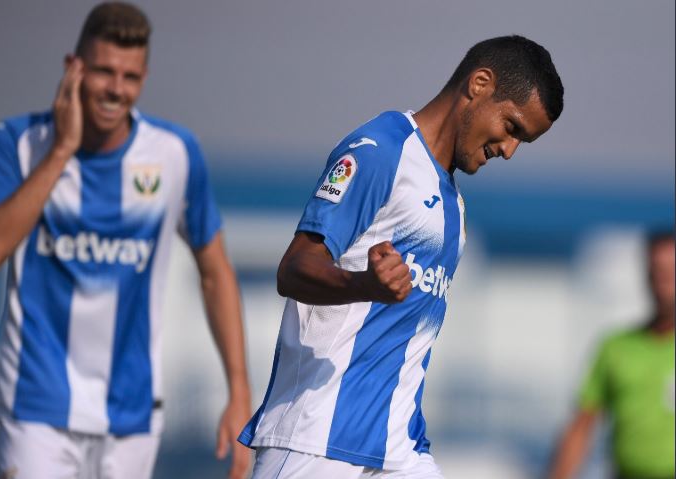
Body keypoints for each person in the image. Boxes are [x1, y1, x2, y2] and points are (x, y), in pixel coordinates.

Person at [238, 35, 564, 478]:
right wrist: (363, 286)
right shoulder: (380, 151)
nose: (509, 150)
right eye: (511, 127)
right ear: (480, 84)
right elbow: (294, 268)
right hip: (315, 444)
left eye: (524, 140)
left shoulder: (454, 203)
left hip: (399, 449)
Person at [0, 3, 251, 478]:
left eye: (130, 76)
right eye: (103, 72)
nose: (116, 89)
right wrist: (61, 150)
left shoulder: (175, 154)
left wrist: (238, 391)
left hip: (132, 415)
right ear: (72, 67)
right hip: (36, 407)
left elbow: (215, 270)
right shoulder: (18, 142)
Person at [550, 233, 675, 479]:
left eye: (672, 272)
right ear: (646, 275)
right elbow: (582, 426)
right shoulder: (616, 347)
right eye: (658, 272)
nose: (664, 283)